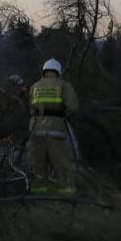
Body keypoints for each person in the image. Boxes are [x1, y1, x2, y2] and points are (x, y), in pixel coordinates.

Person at [27, 58, 79, 195]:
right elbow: (73, 107)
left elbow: (31, 108)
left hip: (36, 131)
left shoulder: (34, 86)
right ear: (58, 72)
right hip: (56, 132)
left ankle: (39, 201)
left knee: (37, 169)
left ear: (44, 72)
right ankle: (67, 198)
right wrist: (63, 116)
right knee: (62, 167)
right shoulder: (64, 85)